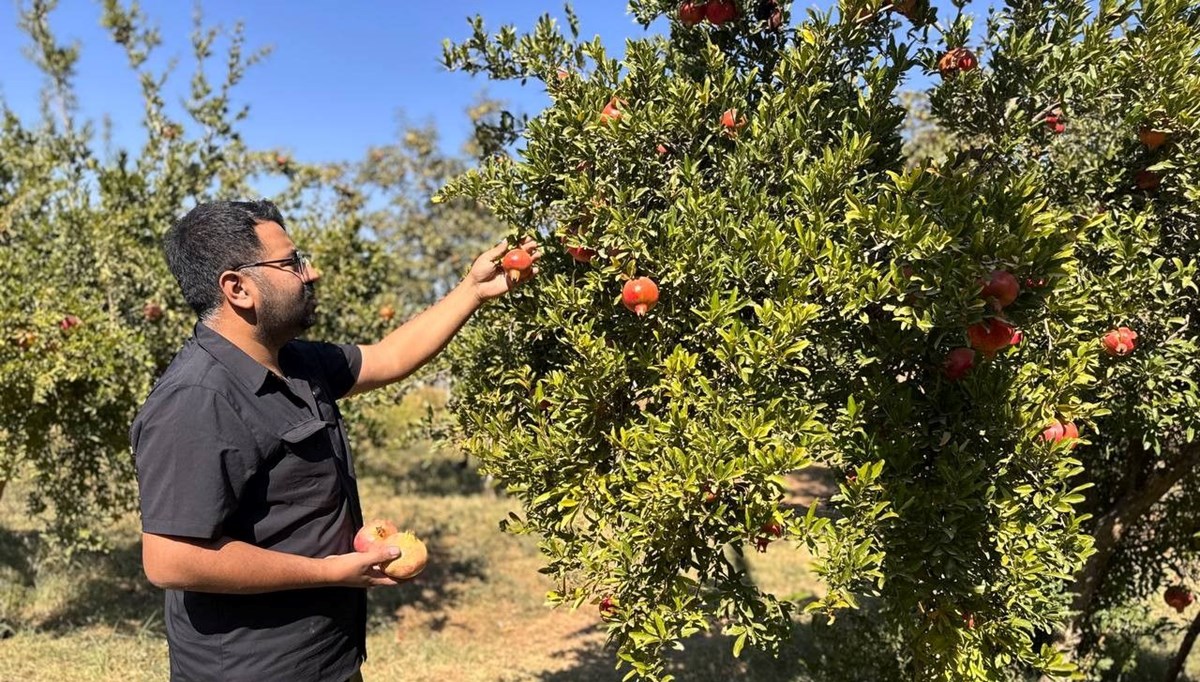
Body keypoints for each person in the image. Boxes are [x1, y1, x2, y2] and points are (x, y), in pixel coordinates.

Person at [130, 199, 539, 682]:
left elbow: (387, 358)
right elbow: (171, 560)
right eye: (291, 263)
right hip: (253, 669)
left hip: (326, 659)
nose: (312, 273)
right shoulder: (197, 398)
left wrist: (472, 291)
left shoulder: (293, 361)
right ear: (237, 288)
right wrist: (331, 571)